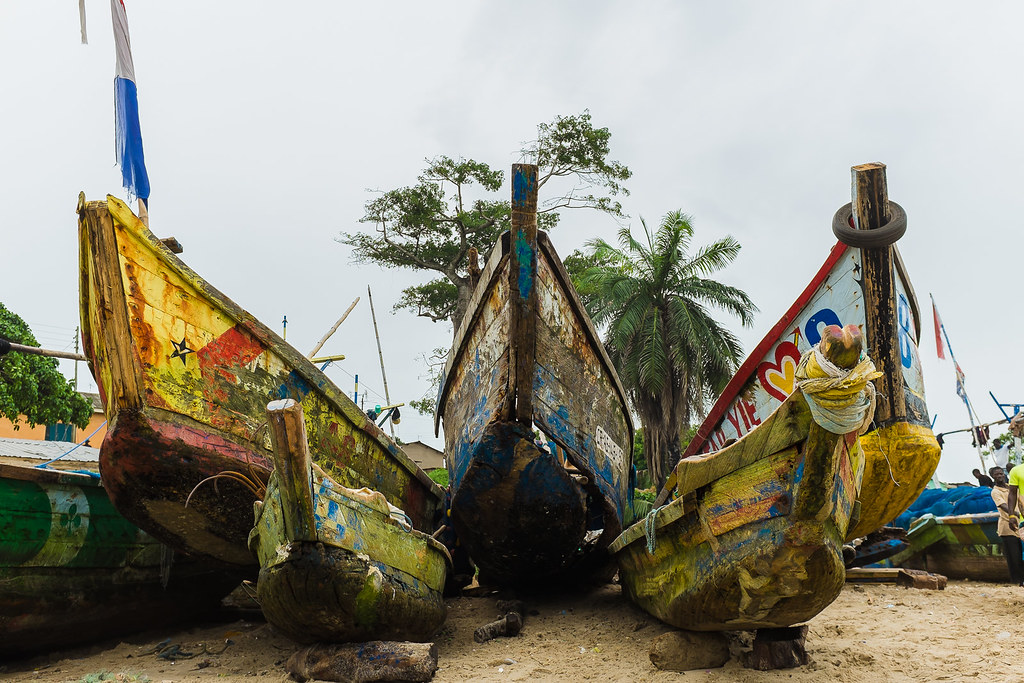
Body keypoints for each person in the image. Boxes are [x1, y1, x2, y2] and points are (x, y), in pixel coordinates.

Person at [991, 466, 1024, 585]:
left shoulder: (1011, 487)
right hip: (1007, 526)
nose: (1000, 476)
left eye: (1001, 473)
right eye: (996, 475)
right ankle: (1016, 581)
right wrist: (1016, 513)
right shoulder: (995, 491)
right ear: (992, 477)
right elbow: (1004, 506)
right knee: (1014, 557)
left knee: (1022, 554)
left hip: (1020, 525)